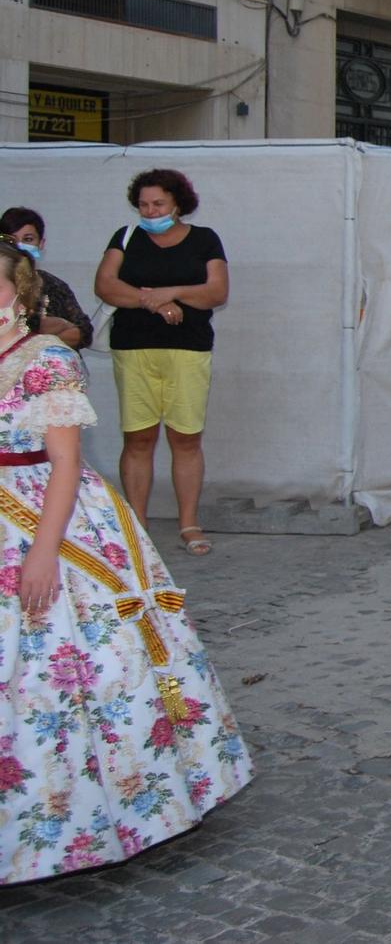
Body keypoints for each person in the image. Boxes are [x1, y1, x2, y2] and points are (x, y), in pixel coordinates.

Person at [0, 241, 252, 883]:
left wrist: (42, 552)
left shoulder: (45, 359)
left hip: (44, 517)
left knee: (75, 664)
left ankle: (100, 808)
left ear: (19, 292)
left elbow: (62, 463)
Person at [92, 170, 228, 559]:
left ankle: (189, 522)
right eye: (144, 204)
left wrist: (175, 291)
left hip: (188, 349)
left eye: (158, 204)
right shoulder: (126, 237)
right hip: (133, 348)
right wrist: (156, 302)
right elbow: (105, 284)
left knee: (185, 438)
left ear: (177, 204)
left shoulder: (204, 239)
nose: (150, 211)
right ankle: (138, 523)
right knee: (138, 437)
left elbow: (216, 292)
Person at [0, 208, 89, 350]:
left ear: (41, 243)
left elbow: (84, 332)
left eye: (28, 239)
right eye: (12, 240)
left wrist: (40, 344)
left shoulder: (54, 285)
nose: (19, 246)